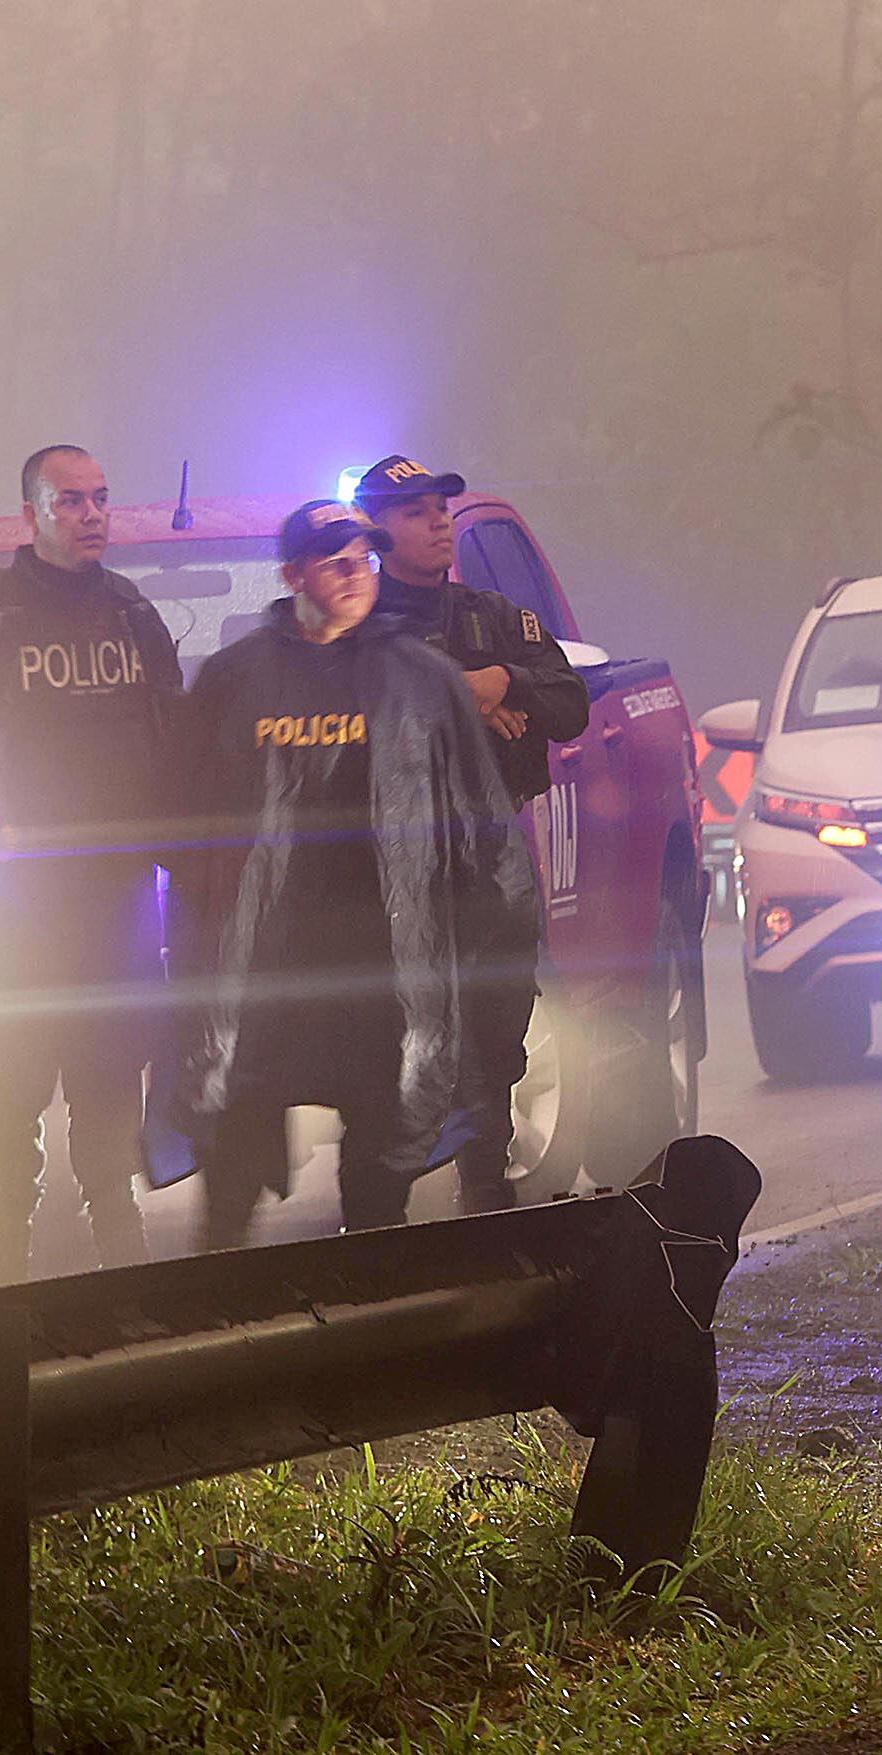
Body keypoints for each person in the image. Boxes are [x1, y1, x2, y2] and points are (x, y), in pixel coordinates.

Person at [169, 499, 535, 1244]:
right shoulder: (236, 678)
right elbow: (182, 815)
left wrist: (500, 942)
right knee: (233, 1155)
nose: (355, 574)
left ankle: (370, 1290)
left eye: (364, 559)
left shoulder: (422, 678)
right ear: (292, 575)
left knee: (380, 1164)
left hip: (383, 965)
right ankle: (217, 1299)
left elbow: (481, 824)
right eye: (335, 562)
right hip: (264, 967)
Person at [0, 444, 185, 1283]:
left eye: (101, 498)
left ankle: (120, 1256)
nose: (92, 514)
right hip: (9, 899)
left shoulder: (133, 614)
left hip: (113, 898)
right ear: (32, 513)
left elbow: (175, 752)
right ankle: (4, 1258)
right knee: (12, 1081)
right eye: (71, 500)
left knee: (110, 1075)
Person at [357, 452, 588, 1210]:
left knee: (496, 1030)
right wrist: (466, 697)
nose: (437, 523)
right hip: (394, 868)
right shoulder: (357, 631)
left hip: (492, 859)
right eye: (415, 511)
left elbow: (570, 702)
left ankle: (485, 1192)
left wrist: (507, 680)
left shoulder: (494, 618)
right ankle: (380, 1219)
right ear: (376, 531)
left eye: (440, 508)